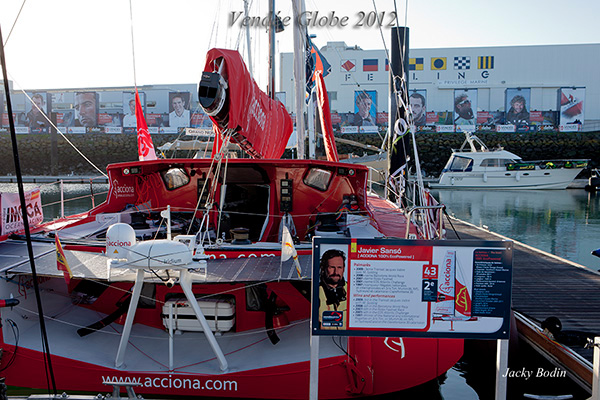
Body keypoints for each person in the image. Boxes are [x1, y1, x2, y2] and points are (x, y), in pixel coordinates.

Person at [318, 249, 347, 329]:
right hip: (324, 339)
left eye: (339, 267)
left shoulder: (352, 290)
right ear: (324, 268)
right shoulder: (315, 292)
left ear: (343, 269)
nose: (336, 272)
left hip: (347, 338)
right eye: (332, 267)